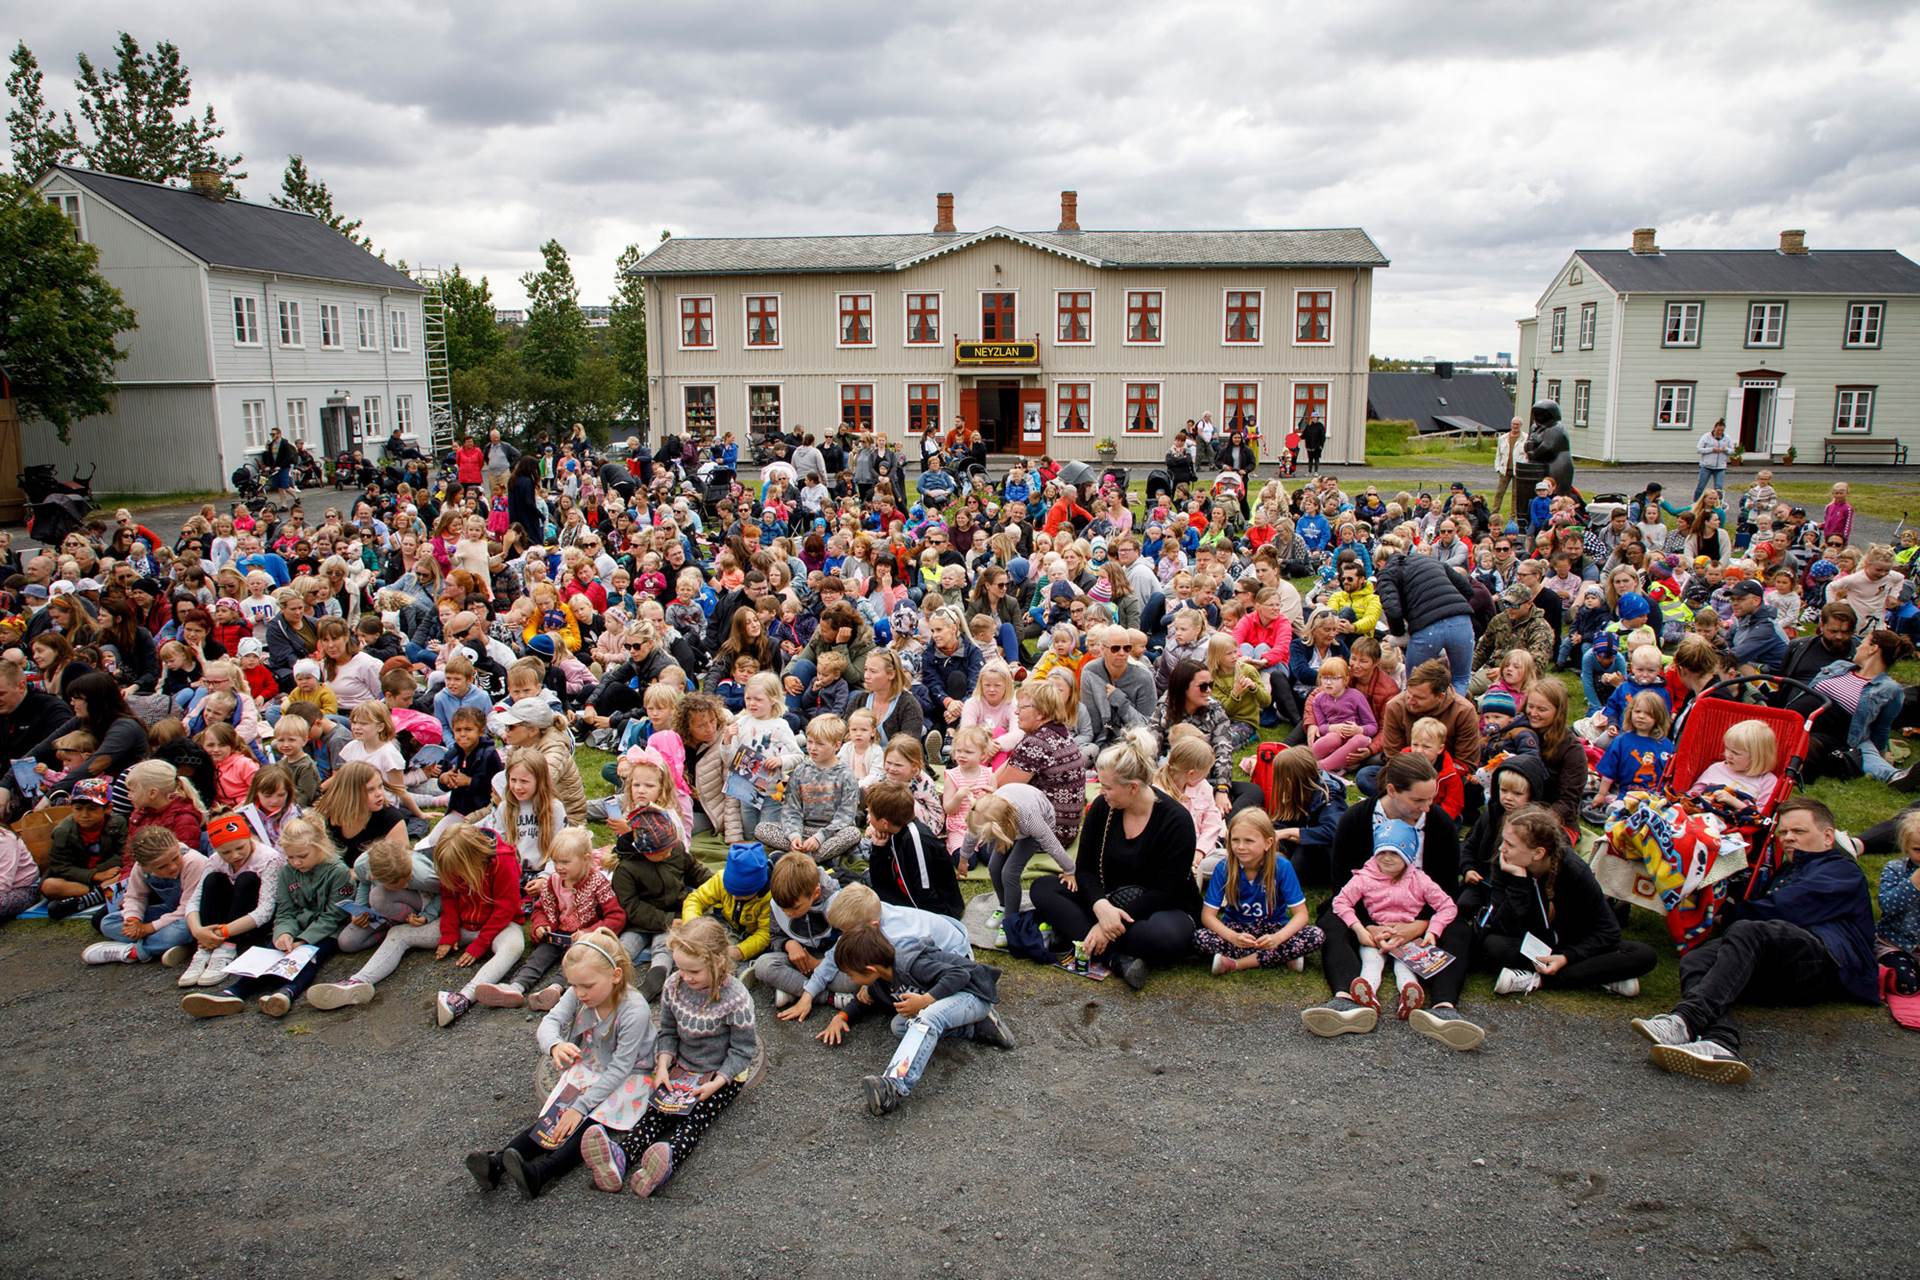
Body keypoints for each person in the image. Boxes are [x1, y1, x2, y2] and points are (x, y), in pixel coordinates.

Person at [1630, 799, 1877, 1084]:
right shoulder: (1787, 871)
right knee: (1698, 958)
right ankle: (1720, 1042)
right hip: (1789, 962)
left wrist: (1729, 914)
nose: (1788, 838)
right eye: (1783, 833)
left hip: (1832, 963)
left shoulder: (1840, 870)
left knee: (1748, 930)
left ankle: (1686, 1020)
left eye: (1798, 831)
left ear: (1827, 837)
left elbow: (1785, 909)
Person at [1302, 753, 1485, 1050]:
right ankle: (1345, 1000)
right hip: (1365, 914)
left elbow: (1447, 890)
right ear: (1392, 791)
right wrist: (1368, 927)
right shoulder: (1355, 820)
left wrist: (1418, 926)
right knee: (1330, 923)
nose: (1426, 807)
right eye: (1418, 800)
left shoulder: (1439, 824)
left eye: (1431, 799)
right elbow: (1342, 887)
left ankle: (1444, 1009)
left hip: (1420, 917)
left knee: (1459, 929)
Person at [466, 930, 655, 1200]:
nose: (579, 993)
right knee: (554, 1116)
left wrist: (580, 1108)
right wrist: (554, 1045)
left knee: (589, 1122)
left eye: (586, 986)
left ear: (615, 976)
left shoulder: (634, 1009)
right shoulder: (581, 989)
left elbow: (621, 1068)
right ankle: (498, 1162)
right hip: (591, 1066)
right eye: (574, 986)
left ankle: (542, 1172)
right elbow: (550, 1022)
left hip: (630, 1076)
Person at [1028, 729, 1201, 990]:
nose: (1101, 791)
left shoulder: (1176, 821)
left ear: (1132, 788)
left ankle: (1085, 937)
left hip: (1158, 907)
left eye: (1107, 786)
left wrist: (1107, 925)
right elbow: (1085, 869)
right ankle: (1117, 958)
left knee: (1163, 937)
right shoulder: (1102, 808)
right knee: (1042, 889)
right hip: (1108, 899)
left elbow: (1165, 890)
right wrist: (1101, 907)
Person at [613, 916, 758, 1198]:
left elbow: (743, 1050)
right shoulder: (673, 985)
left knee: (695, 1118)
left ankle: (666, 1160)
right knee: (655, 1113)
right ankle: (620, 1157)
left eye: (693, 971)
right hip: (682, 1067)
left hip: (720, 1073)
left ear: (717, 962)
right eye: (680, 968)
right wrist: (663, 1065)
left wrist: (718, 1082)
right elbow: (667, 1031)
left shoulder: (736, 997)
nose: (685, 977)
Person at [834, 923, 1016, 1117]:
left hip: (973, 995)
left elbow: (960, 975)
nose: (851, 980)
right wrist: (842, 1016)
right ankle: (976, 1028)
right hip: (950, 1008)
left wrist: (925, 1000)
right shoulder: (879, 981)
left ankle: (893, 1086)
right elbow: (863, 1002)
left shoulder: (910, 963)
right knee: (899, 1025)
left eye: (851, 975)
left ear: (870, 969)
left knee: (928, 1016)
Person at [1482, 805, 1657, 996]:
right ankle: (1600, 977)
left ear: (1538, 853)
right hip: (1531, 944)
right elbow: (1500, 924)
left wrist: (1566, 957)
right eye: (1503, 841)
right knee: (1493, 945)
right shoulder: (1505, 863)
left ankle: (1537, 980)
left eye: (1510, 844)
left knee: (1643, 955)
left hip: (1573, 944)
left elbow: (1609, 932)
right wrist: (1519, 883)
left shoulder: (1574, 870)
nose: (1501, 848)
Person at [1197, 808, 1324, 974]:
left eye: (1249, 841)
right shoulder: (1223, 868)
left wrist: (1277, 938)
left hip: (1274, 929)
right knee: (1200, 937)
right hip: (1238, 929)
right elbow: (1207, 916)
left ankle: (1236, 963)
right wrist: (1232, 936)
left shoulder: (1282, 867)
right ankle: (1284, 955)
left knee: (1315, 935)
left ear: (1268, 843)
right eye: (1235, 840)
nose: (1240, 847)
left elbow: (1301, 915)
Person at [1695, 419, 1734, 499]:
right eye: (1718, 430)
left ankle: (1718, 505)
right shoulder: (1706, 436)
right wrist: (1711, 449)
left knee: (1719, 488)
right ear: (1714, 428)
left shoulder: (1727, 438)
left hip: (1720, 467)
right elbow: (1699, 449)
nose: (1719, 432)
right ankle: (1695, 503)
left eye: (1722, 430)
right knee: (1700, 487)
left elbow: (1732, 451)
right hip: (1706, 466)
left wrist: (1725, 449)